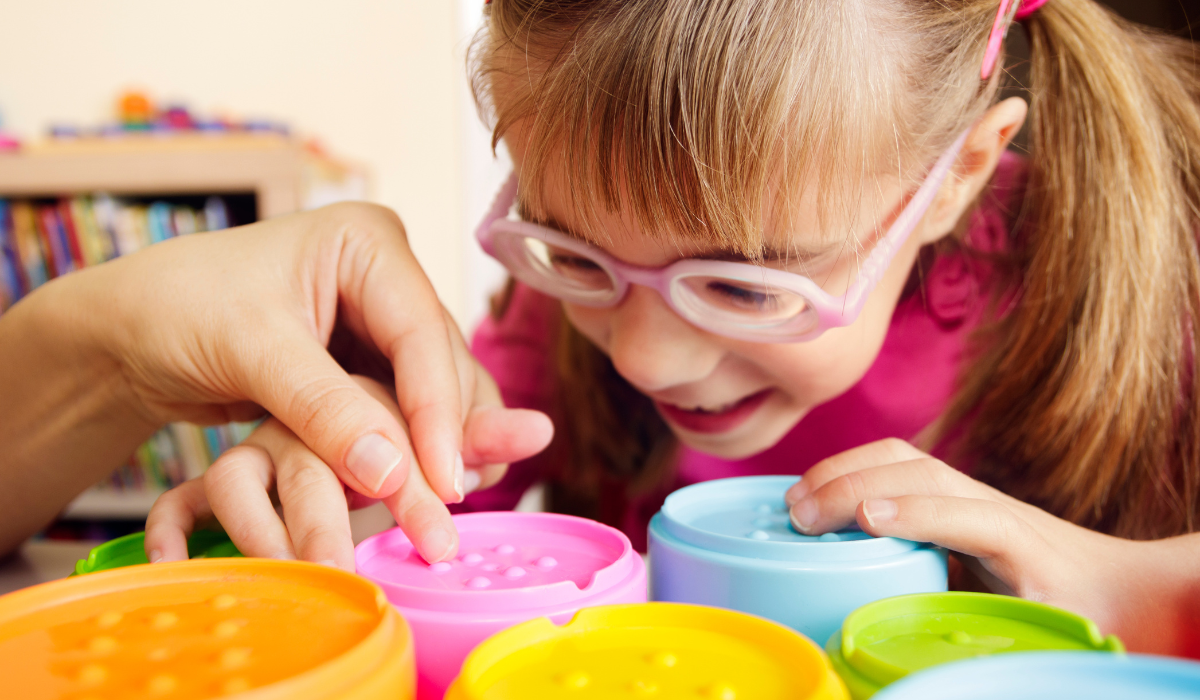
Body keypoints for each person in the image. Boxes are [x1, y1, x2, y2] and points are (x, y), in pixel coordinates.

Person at [148, 0, 1200, 656]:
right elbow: (444, 483)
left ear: (955, 176)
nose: (646, 356)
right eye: (573, 252)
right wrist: (357, 471)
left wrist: (1137, 583)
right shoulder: (544, 336)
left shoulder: (1158, 271)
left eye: (744, 285)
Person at [0, 202, 552, 565]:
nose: (640, 359)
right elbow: (445, 526)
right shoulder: (533, 338)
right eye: (575, 253)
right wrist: (366, 414)